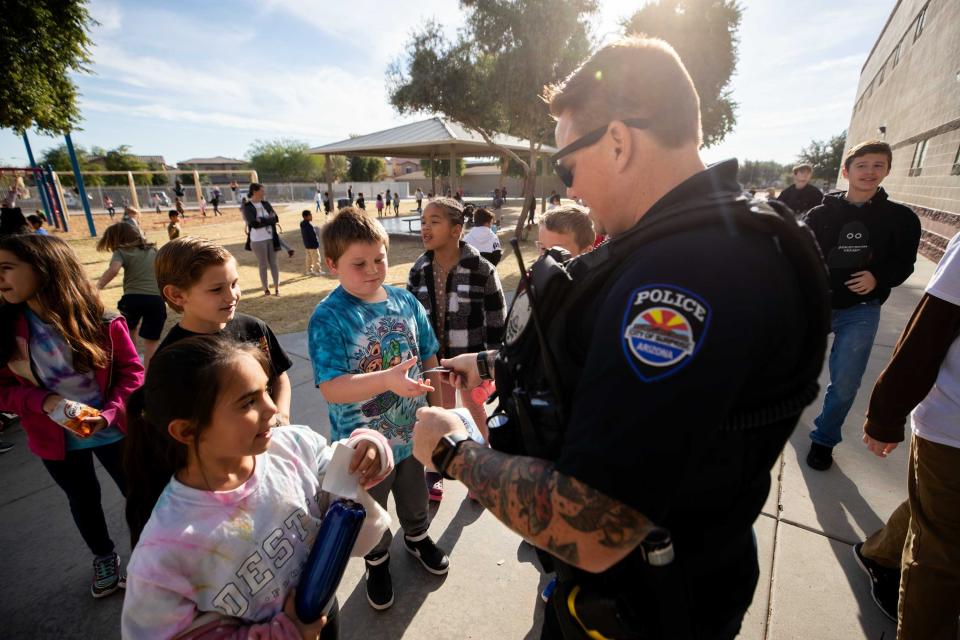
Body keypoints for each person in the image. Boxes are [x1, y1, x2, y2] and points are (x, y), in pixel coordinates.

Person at [411, 36, 831, 640]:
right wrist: (494, 362)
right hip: (676, 586)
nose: (569, 190)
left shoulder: (682, 276)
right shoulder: (718, 236)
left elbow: (594, 526)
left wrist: (453, 451)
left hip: (642, 609)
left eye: (566, 167)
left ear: (618, 140)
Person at [121, 335, 394, 639]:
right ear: (187, 430)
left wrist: (367, 448)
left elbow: (339, 471)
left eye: (266, 390)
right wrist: (288, 632)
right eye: (248, 402)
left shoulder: (293, 447)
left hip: (323, 610)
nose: (271, 409)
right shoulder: (165, 551)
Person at [308, 207, 449, 612]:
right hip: (365, 449)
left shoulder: (405, 301)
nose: (373, 270)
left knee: (415, 496)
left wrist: (438, 416)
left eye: (379, 259)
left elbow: (429, 356)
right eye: (359, 263)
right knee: (371, 513)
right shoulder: (329, 317)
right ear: (332, 264)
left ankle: (418, 537)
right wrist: (386, 379)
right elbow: (333, 389)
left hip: (413, 435)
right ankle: (378, 560)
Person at [0, 233, 144, 598]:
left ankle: (154, 555)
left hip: (115, 430)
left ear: (44, 268)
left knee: (139, 494)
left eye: (6, 269)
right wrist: (43, 401)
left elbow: (132, 373)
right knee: (83, 499)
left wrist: (110, 414)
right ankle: (104, 558)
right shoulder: (5, 330)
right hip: (55, 441)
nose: (0, 278)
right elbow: (3, 389)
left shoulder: (103, 320)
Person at [849, 232, 960, 638]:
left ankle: (880, 554)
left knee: (937, 513)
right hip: (954, 429)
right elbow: (925, 335)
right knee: (944, 555)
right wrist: (884, 416)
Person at [803, 140, 921, 470]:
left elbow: (904, 263)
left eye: (877, 165)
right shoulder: (820, 215)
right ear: (847, 171)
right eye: (862, 165)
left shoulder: (901, 219)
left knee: (845, 382)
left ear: (887, 170)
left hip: (861, 310)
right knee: (791, 368)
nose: (869, 172)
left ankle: (824, 438)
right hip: (816, 306)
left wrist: (878, 277)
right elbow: (800, 256)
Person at [408, 197, 506, 502]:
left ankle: (481, 471)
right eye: (423, 221)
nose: (426, 227)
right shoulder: (419, 269)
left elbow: (496, 318)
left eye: (434, 221)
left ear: (456, 229)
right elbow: (410, 317)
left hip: (470, 361)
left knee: (474, 411)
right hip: (434, 360)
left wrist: (488, 362)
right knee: (440, 411)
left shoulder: (481, 269)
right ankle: (435, 470)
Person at [154, 237, 295, 425]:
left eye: (234, 284)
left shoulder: (254, 328)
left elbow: (278, 377)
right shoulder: (170, 361)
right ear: (177, 295)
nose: (232, 296)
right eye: (216, 289)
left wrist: (281, 416)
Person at [95, 223, 167, 368]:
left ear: (117, 238)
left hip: (132, 300)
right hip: (155, 300)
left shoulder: (121, 251)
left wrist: (97, 286)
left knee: (129, 332)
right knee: (152, 341)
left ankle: (133, 367)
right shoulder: (153, 250)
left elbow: (114, 269)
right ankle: (148, 374)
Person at [241, 183, 283, 297]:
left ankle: (277, 288)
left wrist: (262, 220)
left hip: (271, 238)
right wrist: (268, 219)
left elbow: (276, 218)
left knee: (274, 264)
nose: (263, 192)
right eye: (261, 190)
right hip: (257, 240)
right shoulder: (247, 206)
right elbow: (254, 224)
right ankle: (266, 289)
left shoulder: (266, 203)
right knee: (263, 265)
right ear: (254, 191)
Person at [301, 209, 323, 276]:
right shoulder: (309, 225)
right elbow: (313, 236)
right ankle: (317, 271)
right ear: (306, 217)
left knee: (309, 258)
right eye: (310, 215)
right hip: (312, 245)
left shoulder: (302, 224)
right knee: (316, 258)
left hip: (307, 245)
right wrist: (317, 243)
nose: (311, 216)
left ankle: (309, 271)